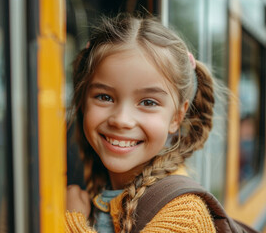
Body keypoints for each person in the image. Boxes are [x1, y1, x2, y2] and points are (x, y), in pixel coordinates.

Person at [65, 13, 217, 232]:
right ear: (82, 101)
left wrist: (71, 222)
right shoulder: (99, 187)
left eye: (148, 102)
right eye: (104, 97)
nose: (121, 120)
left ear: (176, 117)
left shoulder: (186, 215)